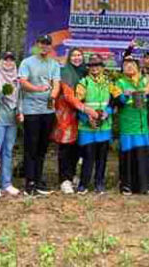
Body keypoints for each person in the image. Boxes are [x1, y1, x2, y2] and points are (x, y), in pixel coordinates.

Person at [19, 34, 61, 195]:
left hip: (48, 111)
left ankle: (38, 180)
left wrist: (53, 96)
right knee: (31, 147)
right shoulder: (27, 62)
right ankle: (29, 182)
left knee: (42, 147)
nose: (44, 46)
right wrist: (38, 89)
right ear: (37, 44)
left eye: (47, 44)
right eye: (42, 43)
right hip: (31, 111)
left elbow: (56, 84)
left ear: (51, 46)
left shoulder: (54, 64)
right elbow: (23, 82)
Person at [113, 55, 149, 195]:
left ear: (138, 67)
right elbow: (117, 101)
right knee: (128, 157)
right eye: (126, 65)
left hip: (143, 126)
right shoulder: (118, 83)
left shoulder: (145, 81)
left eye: (132, 64)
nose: (129, 67)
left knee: (144, 156)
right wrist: (125, 95)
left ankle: (146, 186)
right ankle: (127, 186)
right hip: (128, 126)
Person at [0, 52, 23, 198]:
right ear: (0, 62)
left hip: (11, 119)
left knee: (8, 152)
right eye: (5, 60)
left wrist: (20, 111)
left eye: (11, 60)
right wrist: (4, 90)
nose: (8, 62)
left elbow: (20, 97)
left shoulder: (17, 77)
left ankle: (6, 183)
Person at [52, 48, 88, 194]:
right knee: (65, 147)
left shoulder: (85, 72)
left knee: (77, 148)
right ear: (69, 58)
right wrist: (86, 109)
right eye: (73, 55)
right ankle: (64, 180)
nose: (76, 58)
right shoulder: (65, 72)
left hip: (80, 116)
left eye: (79, 55)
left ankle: (72, 175)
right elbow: (68, 96)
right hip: (66, 115)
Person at [75, 54, 111, 194]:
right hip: (87, 127)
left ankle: (99, 183)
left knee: (102, 158)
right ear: (88, 68)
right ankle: (83, 183)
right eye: (92, 65)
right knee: (87, 157)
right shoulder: (83, 83)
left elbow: (114, 102)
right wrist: (86, 118)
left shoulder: (109, 82)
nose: (95, 68)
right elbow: (77, 104)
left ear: (102, 67)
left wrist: (108, 112)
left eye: (97, 65)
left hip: (104, 126)